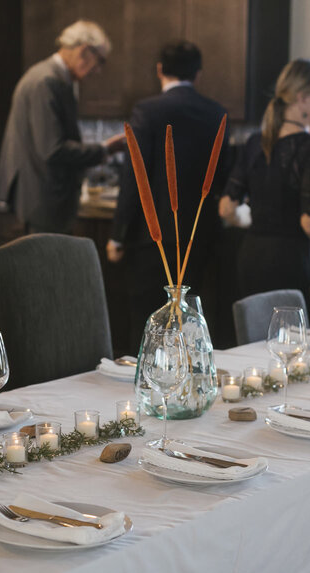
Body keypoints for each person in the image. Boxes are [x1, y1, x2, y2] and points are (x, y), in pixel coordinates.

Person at [108, 40, 230, 352]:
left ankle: (148, 384)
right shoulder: (216, 113)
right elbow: (222, 177)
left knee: (148, 322)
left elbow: (135, 177)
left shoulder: (147, 110)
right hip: (200, 237)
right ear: (198, 74)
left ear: (160, 70)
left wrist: (118, 235)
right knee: (191, 324)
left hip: (153, 238)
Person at [219, 58, 310, 319]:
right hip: (290, 260)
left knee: (256, 340)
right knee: (295, 343)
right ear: (302, 98)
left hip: (252, 257)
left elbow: (227, 209)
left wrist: (262, 218)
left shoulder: (255, 142)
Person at [0, 20, 125, 234]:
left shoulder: (51, 77)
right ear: (84, 51)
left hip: (43, 199)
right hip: (44, 200)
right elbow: (52, 149)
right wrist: (103, 149)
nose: (98, 70)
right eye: (100, 61)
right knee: (46, 266)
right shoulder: (47, 81)